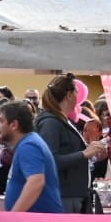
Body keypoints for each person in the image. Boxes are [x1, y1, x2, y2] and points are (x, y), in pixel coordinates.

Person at [34, 76, 91, 214]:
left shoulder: (61, 120)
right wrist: (84, 154)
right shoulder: (51, 123)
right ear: (69, 95)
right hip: (63, 194)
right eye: (76, 92)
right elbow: (50, 160)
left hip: (70, 193)